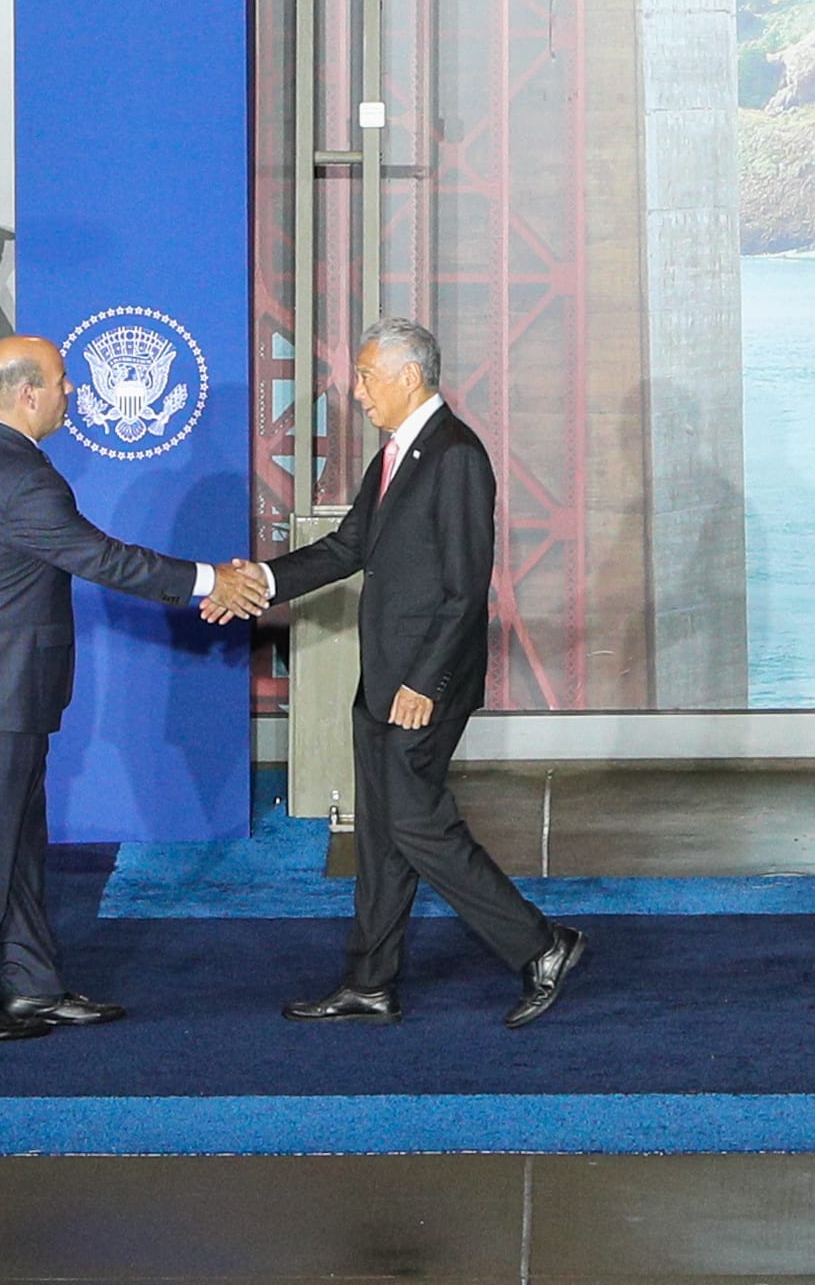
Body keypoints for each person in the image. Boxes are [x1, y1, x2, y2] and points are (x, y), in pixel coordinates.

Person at [203, 321, 586, 1027]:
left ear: (409, 376)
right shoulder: (397, 454)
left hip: (420, 687)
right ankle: (369, 982)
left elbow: (466, 589)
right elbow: (350, 547)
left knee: (417, 824)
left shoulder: (456, 456)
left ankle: (543, 945)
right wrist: (259, 579)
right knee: (380, 832)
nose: (356, 391)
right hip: (383, 678)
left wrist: (423, 685)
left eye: (365, 377)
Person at [0, 335, 216, 1041]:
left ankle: (31, 987)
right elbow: (104, 559)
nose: (73, 393)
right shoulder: (24, 480)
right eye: (65, 382)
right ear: (28, 394)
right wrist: (211, 581)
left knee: (13, 840)